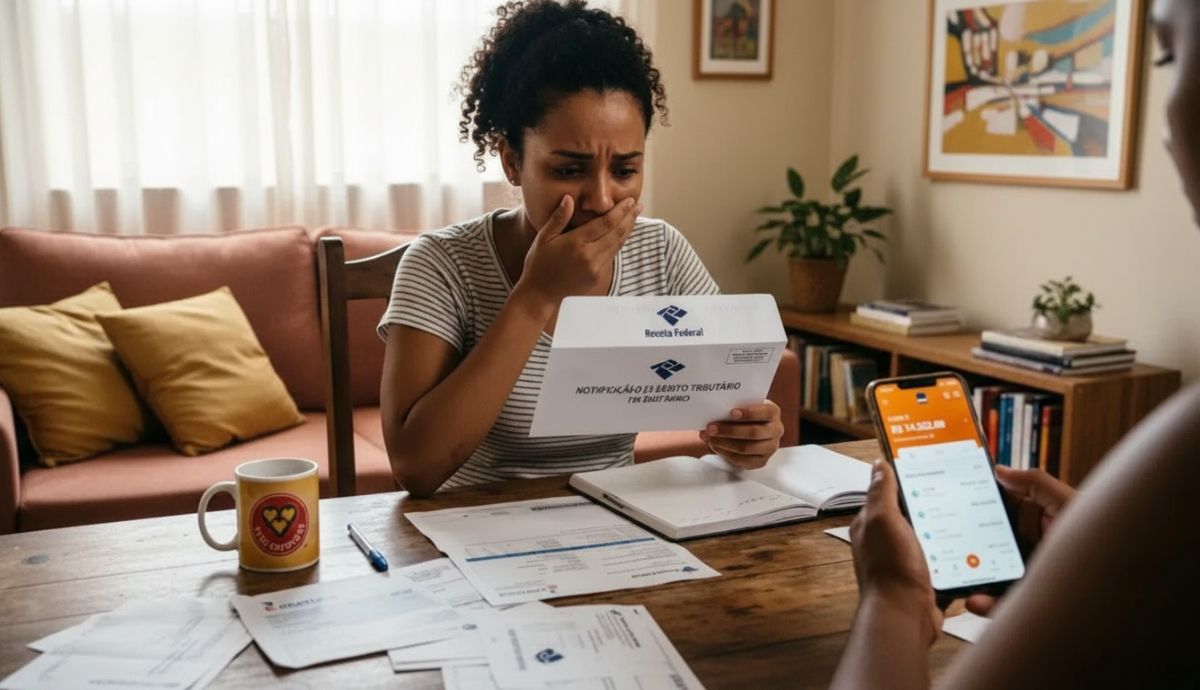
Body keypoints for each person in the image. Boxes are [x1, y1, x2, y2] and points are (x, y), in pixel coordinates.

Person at [831, 1, 1200, 688]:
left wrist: (892, 596)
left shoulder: (1186, 456)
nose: (1165, 124)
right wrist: (1097, 546)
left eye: (1170, 55)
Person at [378, 0, 784, 497]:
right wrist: (535, 296)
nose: (602, 199)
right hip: (467, 523)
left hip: (618, 519)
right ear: (511, 161)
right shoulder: (440, 265)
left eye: (625, 170)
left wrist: (751, 432)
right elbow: (415, 468)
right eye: (569, 170)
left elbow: (732, 398)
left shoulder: (660, 253)